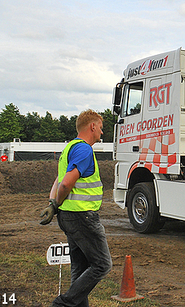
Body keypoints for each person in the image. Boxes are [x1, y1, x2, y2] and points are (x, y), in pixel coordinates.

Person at [40, 109, 112, 307]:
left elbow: (58, 180)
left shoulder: (69, 148)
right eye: (101, 128)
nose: (102, 133)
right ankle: (63, 304)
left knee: (80, 268)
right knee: (102, 265)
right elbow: (65, 184)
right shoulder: (84, 149)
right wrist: (54, 203)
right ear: (92, 126)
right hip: (82, 217)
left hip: (69, 216)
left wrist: (52, 205)